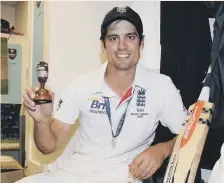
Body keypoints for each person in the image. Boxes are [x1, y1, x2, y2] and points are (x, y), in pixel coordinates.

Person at [20, 6, 185, 183]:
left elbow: (191, 134)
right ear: (103, 45)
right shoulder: (81, 85)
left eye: (130, 37)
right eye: (113, 38)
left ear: (141, 43)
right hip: (75, 173)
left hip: (125, 175)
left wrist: (163, 149)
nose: (122, 46)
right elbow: (48, 146)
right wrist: (42, 122)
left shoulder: (161, 85)